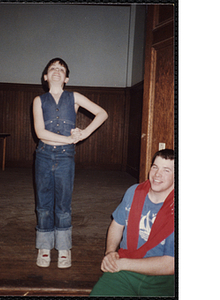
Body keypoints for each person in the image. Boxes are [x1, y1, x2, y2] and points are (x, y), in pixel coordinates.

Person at [33, 58, 108, 269]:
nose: (57, 71)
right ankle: (44, 246)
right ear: (46, 76)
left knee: (63, 205)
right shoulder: (38, 100)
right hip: (44, 155)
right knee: (43, 205)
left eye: (61, 69)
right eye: (52, 68)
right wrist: (70, 139)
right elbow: (40, 132)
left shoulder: (74, 98)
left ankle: (64, 247)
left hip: (65, 157)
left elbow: (102, 113)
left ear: (66, 78)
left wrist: (84, 133)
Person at [90, 149, 175, 297]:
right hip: (124, 272)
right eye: (155, 167)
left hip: (163, 280)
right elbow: (117, 224)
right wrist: (110, 252)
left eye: (166, 170)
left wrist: (122, 264)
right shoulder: (134, 191)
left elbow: (170, 264)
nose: (157, 174)